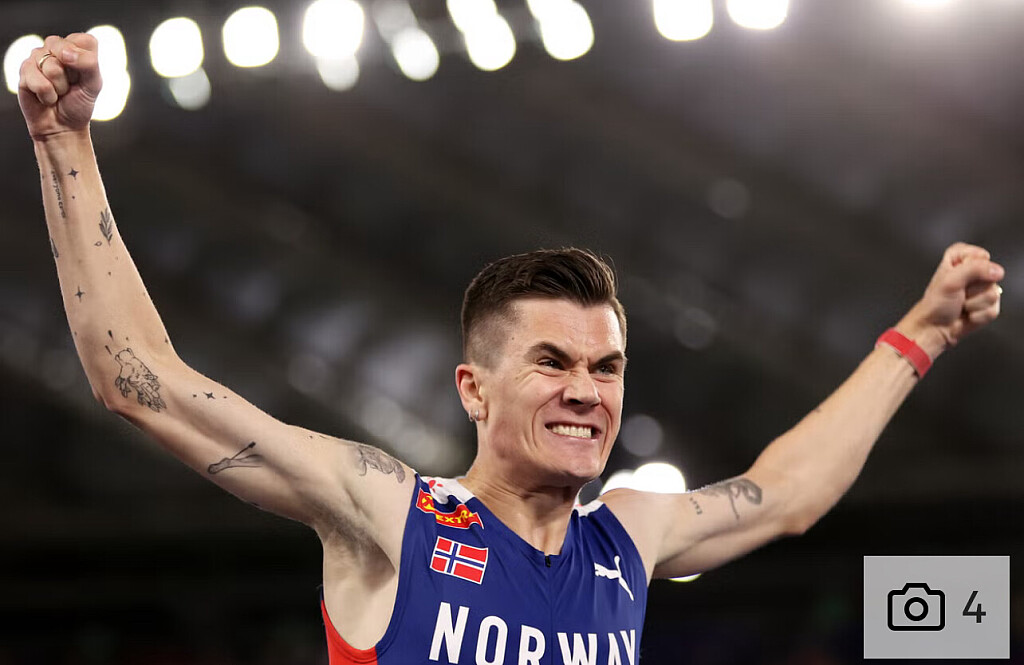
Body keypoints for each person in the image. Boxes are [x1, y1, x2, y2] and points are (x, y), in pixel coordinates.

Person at [18, 34, 1004, 665]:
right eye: (552, 361)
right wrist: (66, 145)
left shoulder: (629, 539)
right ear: (473, 388)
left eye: (606, 367)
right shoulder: (388, 513)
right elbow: (140, 379)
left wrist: (916, 337)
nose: (587, 391)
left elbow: (786, 493)